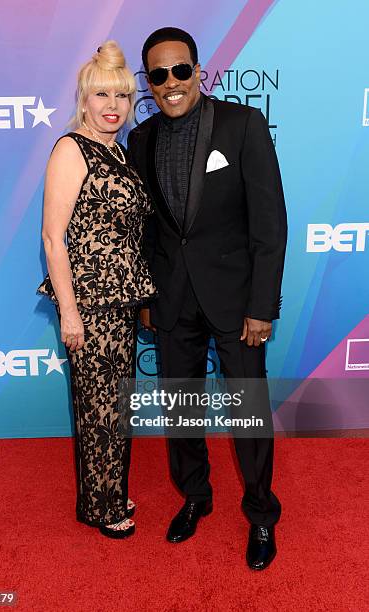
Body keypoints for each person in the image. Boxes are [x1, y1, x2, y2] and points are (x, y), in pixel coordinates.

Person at [127, 27, 287, 568]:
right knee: (182, 413)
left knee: (248, 414)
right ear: (147, 82)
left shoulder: (243, 125)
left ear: (198, 71)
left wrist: (262, 306)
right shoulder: (141, 139)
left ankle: (262, 514)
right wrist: (149, 297)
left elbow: (270, 224)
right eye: (157, 75)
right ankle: (196, 496)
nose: (170, 83)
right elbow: (149, 229)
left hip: (236, 300)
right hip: (174, 301)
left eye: (179, 70)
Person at [36, 40, 157, 539]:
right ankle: (100, 507)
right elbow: (52, 235)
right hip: (89, 305)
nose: (112, 105)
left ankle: (104, 494)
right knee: (98, 409)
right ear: (84, 99)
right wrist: (69, 312)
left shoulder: (117, 151)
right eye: (102, 95)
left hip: (121, 303)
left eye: (122, 97)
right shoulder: (71, 148)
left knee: (114, 405)